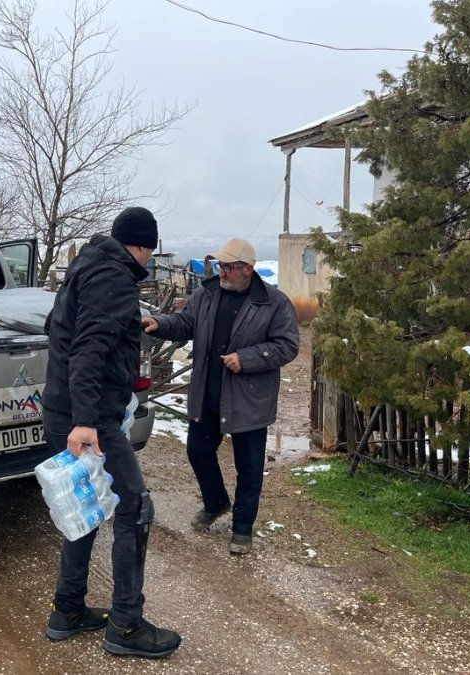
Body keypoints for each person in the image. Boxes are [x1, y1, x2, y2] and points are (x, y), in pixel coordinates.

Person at [42, 206, 182, 659]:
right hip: (90, 418)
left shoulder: (87, 264)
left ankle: (67, 610)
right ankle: (125, 624)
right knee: (134, 507)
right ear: (145, 246)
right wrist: (85, 421)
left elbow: (60, 328)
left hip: (68, 408)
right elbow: (88, 348)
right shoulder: (114, 276)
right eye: (151, 251)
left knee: (85, 504)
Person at [142, 238, 299, 555]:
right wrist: (158, 323)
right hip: (208, 392)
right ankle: (216, 503)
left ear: (247, 270)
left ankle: (242, 529)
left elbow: (287, 345)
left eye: (228, 267)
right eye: (221, 266)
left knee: (249, 468)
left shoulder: (274, 302)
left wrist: (247, 358)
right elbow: (186, 323)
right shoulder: (207, 293)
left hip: (248, 399)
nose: (222, 272)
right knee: (198, 451)